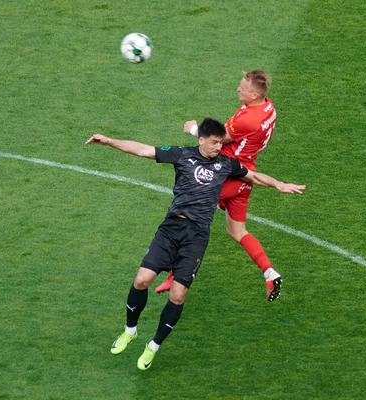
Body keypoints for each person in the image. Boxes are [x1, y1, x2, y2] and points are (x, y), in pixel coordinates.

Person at [85, 118, 305, 370]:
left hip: (197, 236)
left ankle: (153, 346)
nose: (217, 147)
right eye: (213, 142)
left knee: (178, 296)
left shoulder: (227, 164)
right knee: (142, 280)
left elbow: (253, 176)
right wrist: (110, 141)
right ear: (200, 139)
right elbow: (143, 149)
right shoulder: (181, 155)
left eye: (221, 143)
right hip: (171, 229)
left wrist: (279, 184)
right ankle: (130, 330)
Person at [155, 70, 286, 301]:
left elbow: (221, 137)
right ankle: (269, 272)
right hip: (245, 175)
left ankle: (175, 273)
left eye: (243, 88)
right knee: (237, 231)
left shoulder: (248, 118)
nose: (238, 89)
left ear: (254, 94)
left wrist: (194, 130)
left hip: (226, 172)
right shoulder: (268, 108)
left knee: (187, 213)